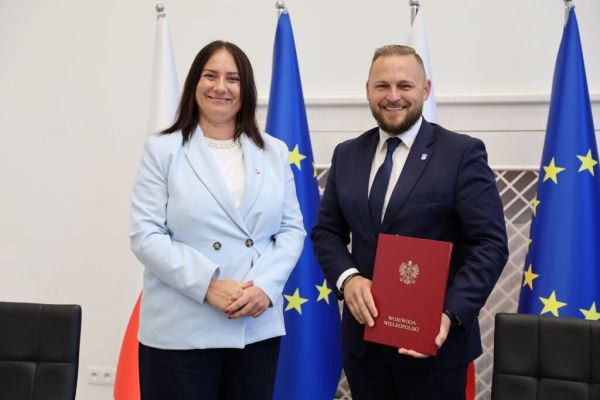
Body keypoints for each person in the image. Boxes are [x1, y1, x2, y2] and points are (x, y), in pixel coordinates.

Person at [311, 44, 508, 400]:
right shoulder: (347, 154)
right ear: (367, 90)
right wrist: (348, 277)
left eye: (405, 85)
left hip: (435, 347)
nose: (393, 96)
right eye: (382, 86)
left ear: (425, 90)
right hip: (365, 349)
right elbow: (327, 232)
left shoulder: (461, 153)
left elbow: (489, 245)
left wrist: (449, 314)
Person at [129, 40, 305, 400]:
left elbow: (291, 230)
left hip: (254, 326)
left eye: (233, 78)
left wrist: (264, 287)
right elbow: (146, 235)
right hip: (180, 330)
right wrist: (207, 285)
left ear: (246, 89)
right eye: (210, 75)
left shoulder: (274, 151)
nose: (220, 87)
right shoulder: (162, 150)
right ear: (195, 83)